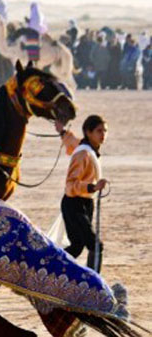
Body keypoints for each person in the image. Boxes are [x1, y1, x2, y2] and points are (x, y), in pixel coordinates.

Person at [55, 116, 108, 272]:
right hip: (74, 203)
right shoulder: (83, 154)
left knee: (77, 246)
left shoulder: (86, 148)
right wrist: (92, 187)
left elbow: (72, 142)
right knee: (95, 245)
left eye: (105, 131)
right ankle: (95, 284)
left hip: (85, 204)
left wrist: (62, 131)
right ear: (88, 132)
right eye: (99, 131)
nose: (103, 134)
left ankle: (53, 270)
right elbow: (71, 185)